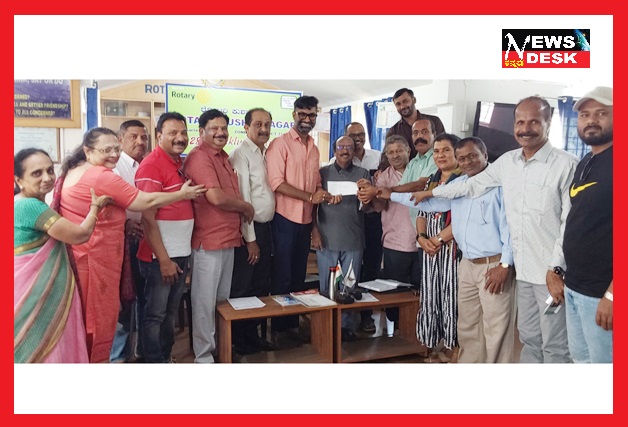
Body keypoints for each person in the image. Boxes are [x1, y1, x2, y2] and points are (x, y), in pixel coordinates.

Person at [414, 96, 578, 363]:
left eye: (534, 121)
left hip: (550, 274)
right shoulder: (508, 162)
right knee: (529, 338)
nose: (526, 128)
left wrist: (557, 269)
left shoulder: (566, 164)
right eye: (520, 122)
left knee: (555, 343)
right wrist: (430, 193)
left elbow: (569, 223)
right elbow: (470, 185)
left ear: (549, 122)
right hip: (524, 272)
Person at [56, 127, 206, 363]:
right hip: (95, 260)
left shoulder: (78, 170)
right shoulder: (100, 176)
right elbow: (144, 201)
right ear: (87, 151)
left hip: (88, 257)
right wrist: (181, 194)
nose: (114, 154)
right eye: (106, 150)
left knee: (92, 320)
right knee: (100, 323)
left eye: (116, 148)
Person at [392, 137, 516, 363]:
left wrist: (504, 265)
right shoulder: (458, 185)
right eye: (462, 158)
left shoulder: (499, 185)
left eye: (472, 156)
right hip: (467, 264)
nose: (467, 162)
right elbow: (429, 205)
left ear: (485, 155)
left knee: (496, 328)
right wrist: (385, 193)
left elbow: (511, 228)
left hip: (493, 265)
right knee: (468, 326)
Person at [14, 148, 111, 363]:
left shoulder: (18, 202)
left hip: (21, 289)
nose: (47, 177)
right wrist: (94, 208)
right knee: (45, 346)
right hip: (37, 296)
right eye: (37, 173)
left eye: (50, 170)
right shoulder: (31, 206)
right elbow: (79, 235)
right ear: (18, 180)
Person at [182, 109, 255, 363]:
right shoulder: (199, 157)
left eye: (224, 128)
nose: (220, 133)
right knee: (204, 302)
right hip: (208, 242)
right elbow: (215, 197)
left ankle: (220, 350)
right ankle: (203, 356)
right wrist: (245, 207)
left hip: (228, 239)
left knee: (222, 302)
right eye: (214, 128)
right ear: (201, 131)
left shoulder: (223, 157)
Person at [265, 95, 331, 341]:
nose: (306, 119)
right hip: (283, 219)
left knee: (297, 277)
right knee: (281, 276)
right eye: (302, 114)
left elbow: (316, 185)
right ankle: (279, 329)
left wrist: (315, 222)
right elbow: (276, 183)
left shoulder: (314, 147)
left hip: (305, 221)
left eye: (311, 115)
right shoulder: (279, 144)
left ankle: (292, 326)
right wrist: (310, 197)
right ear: (294, 115)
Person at [135, 112, 195, 363]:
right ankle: (154, 361)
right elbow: (147, 218)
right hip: (159, 258)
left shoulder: (178, 163)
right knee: (155, 315)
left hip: (180, 254)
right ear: (159, 135)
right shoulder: (152, 165)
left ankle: (164, 356)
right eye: (173, 133)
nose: (180, 138)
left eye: (183, 133)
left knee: (170, 312)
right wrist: (164, 260)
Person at [563, 86, 613, 363]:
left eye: (601, 113)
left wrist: (613, 294)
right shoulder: (587, 161)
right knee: (581, 362)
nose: (591, 120)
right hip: (575, 286)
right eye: (584, 115)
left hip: (603, 292)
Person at [357, 135, 421, 337]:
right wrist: (368, 195)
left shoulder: (419, 170)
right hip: (395, 241)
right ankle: (397, 335)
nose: (395, 155)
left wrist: (386, 191)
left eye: (399, 151)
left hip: (423, 241)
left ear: (408, 151)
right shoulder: (383, 177)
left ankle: (418, 334)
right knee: (396, 292)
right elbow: (378, 207)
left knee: (419, 291)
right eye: (390, 152)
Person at [228, 108, 277, 354]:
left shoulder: (266, 153)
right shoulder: (241, 154)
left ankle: (253, 335)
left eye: (267, 124)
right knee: (244, 287)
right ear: (246, 127)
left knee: (260, 285)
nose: (264, 129)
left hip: (266, 228)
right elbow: (243, 199)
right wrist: (250, 240)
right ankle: (239, 340)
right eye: (258, 124)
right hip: (250, 231)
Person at [312, 136, 369, 341]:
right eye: (341, 147)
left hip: (353, 240)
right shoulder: (322, 173)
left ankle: (345, 329)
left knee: (349, 286)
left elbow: (368, 208)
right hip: (326, 239)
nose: (345, 150)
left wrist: (366, 197)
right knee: (327, 287)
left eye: (349, 147)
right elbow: (313, 205)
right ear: (334, 150)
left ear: (354, 151)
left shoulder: (363, 174)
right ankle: (325, 328)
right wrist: (314, 231)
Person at [412, 134, 462, 362]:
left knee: (451, 296)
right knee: (432, 295)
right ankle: (435, 341)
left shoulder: (463, 181)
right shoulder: (431, 181)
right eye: (437, 151)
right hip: (430, 250)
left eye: (446, 150)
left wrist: (438, 240)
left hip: (451, 250)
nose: (440, 155)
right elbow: (421, 213)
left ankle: (455, 347)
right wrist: (422, 237)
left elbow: (462, 218)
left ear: (456, 153)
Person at [330, 122, 382, 333]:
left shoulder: (377, 158)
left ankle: (364, 317)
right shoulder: (331, 166)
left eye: (361, 134)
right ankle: (335, 323)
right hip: (343, 227)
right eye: (353, 136)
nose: (358, 138)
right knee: (341, 276)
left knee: (368, 270)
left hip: (370, 221)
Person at [110, 120, 148, 363]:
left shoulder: (145, 164)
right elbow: (110, 203)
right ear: (120, 139)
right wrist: (124, 223)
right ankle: (118, 357)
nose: (140, 142)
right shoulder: (115, 167)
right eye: (133, 137)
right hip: (124, 242)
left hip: (145, 239)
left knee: (143, 297)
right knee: (124, 300)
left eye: (143, 137)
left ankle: (140, 350)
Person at [385, 87, 445, 160]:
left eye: (405, 101)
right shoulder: (393, 131)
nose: (402, 106)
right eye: (398, 104)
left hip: (434, 164)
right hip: (409, 167)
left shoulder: (434, 121)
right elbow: (386, 155)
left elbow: (444, 145)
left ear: (414, 100)